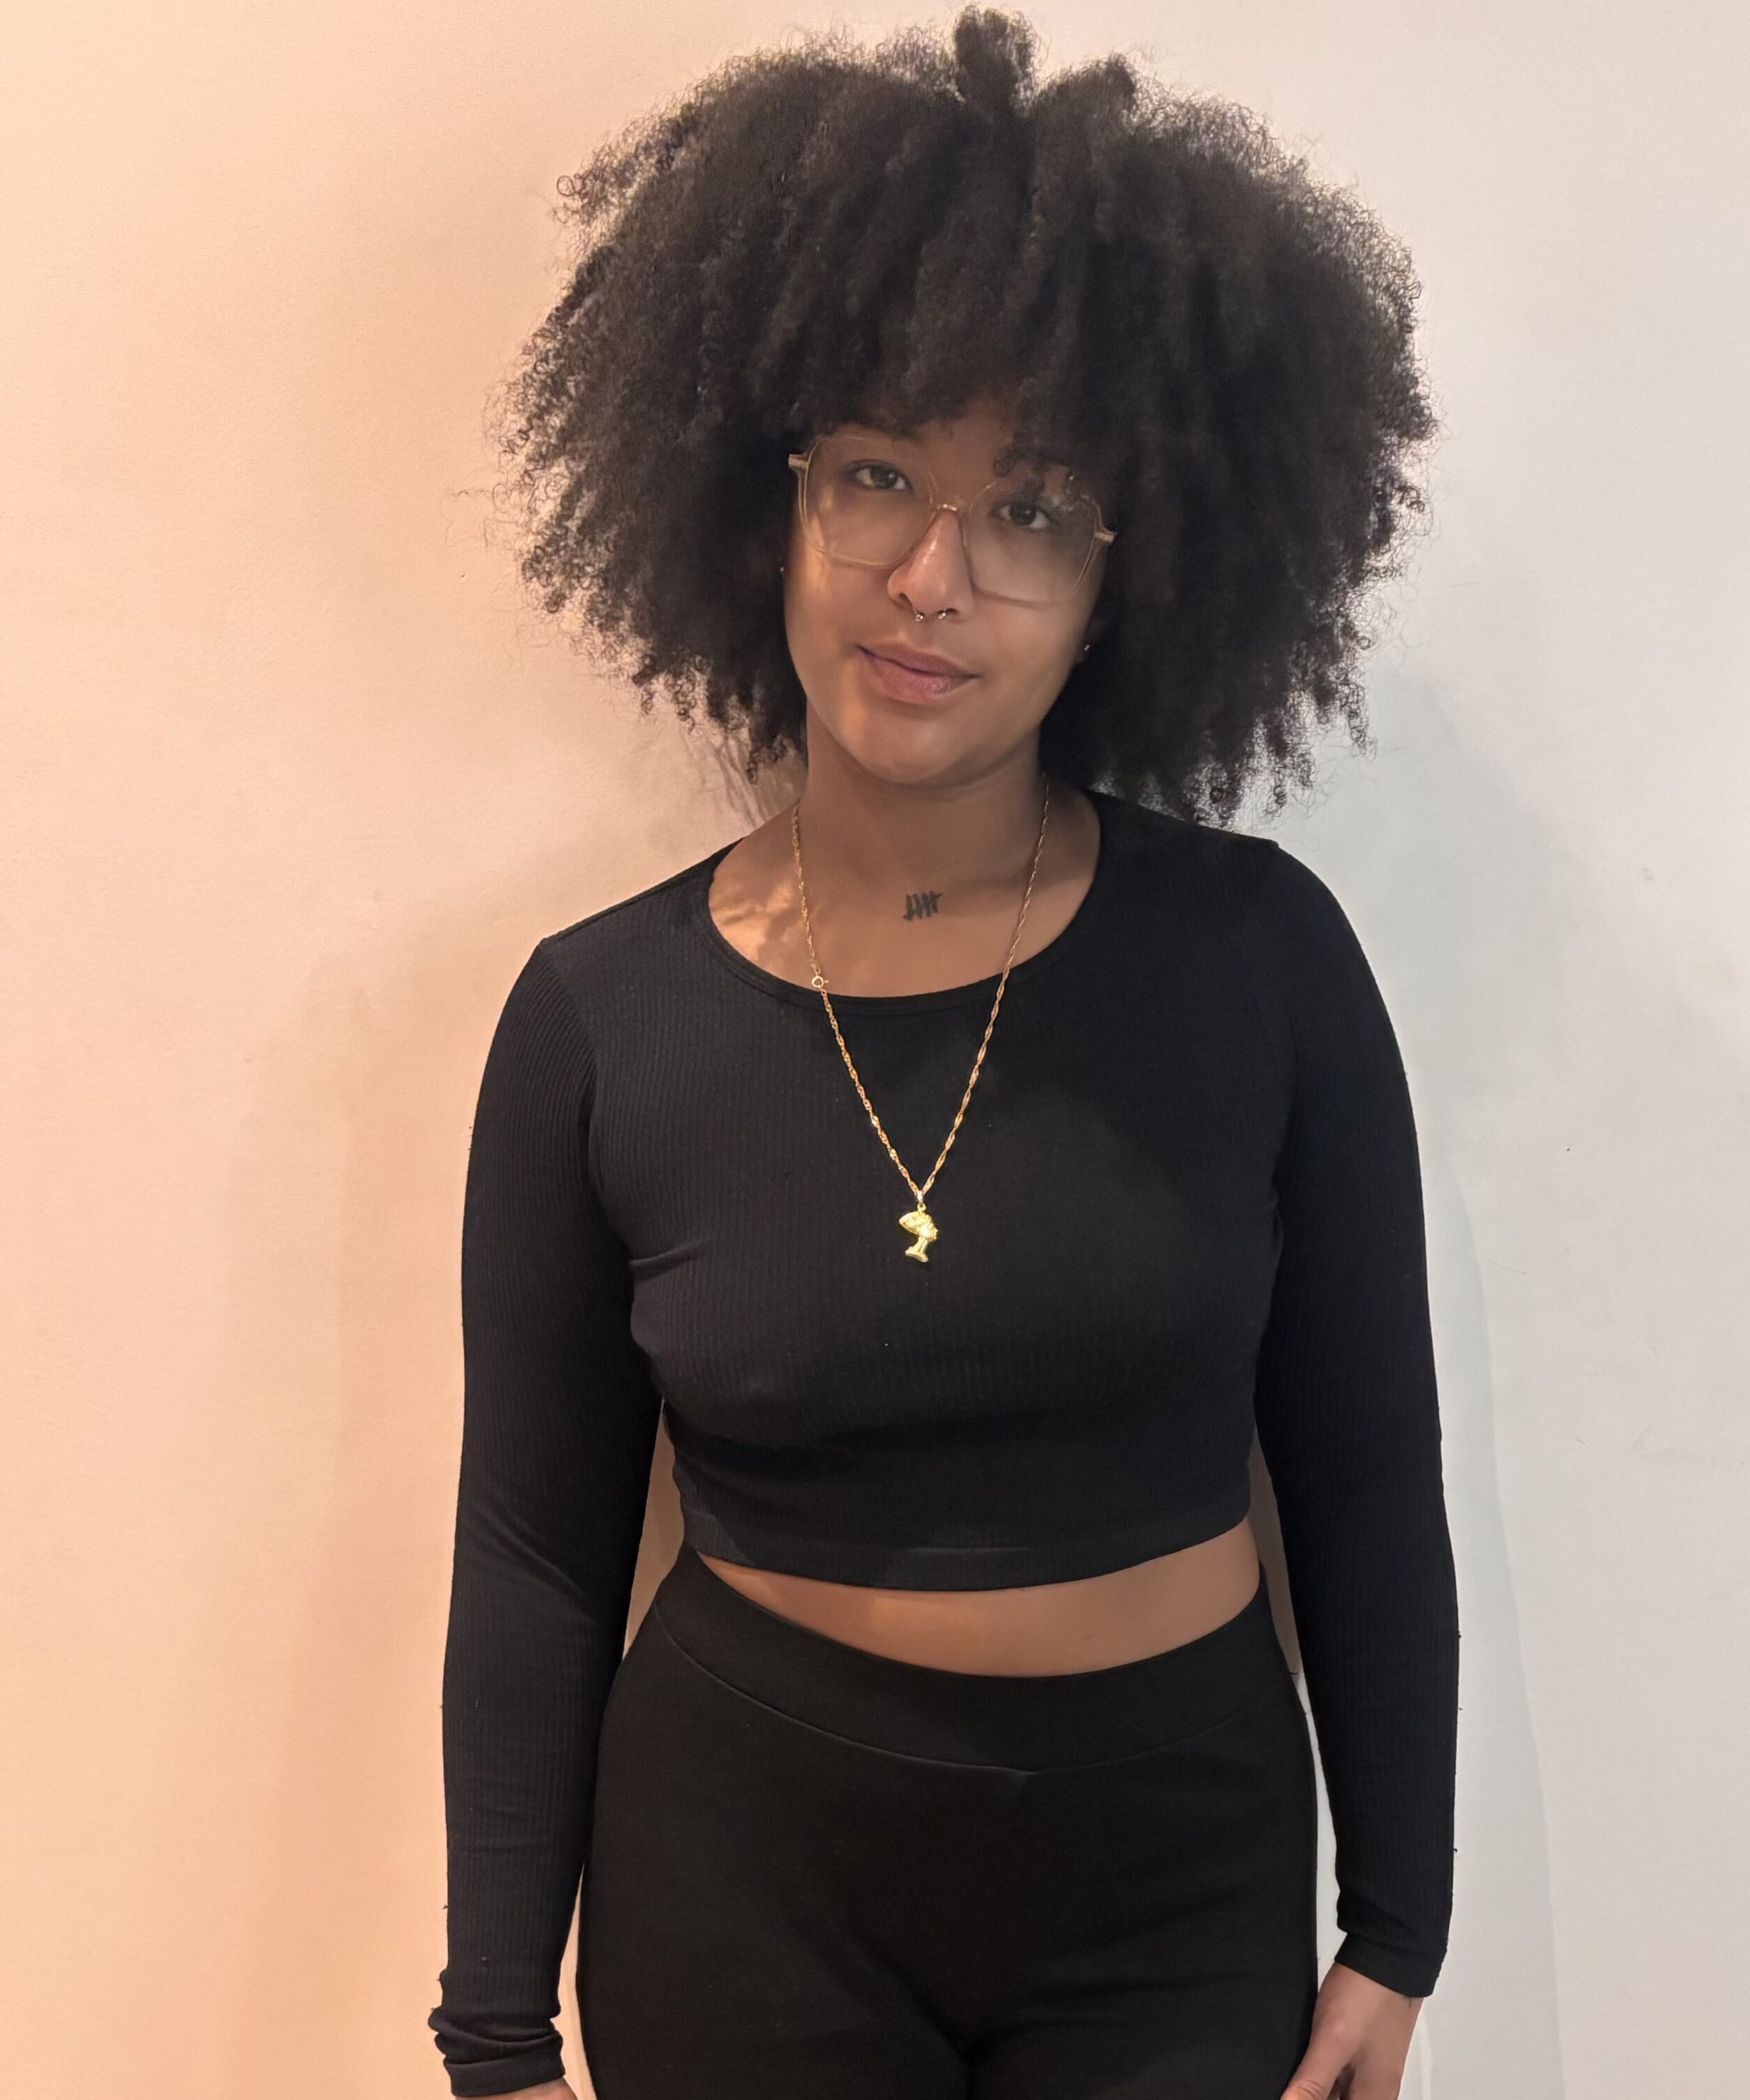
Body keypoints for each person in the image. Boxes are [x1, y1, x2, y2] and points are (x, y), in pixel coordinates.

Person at [427, 10, 1460, 2099]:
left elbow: (1364, 1469)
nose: (931, 579)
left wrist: (1401, 1922)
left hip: (1176, 1876)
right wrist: (493, 2029)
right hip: (743, 1870)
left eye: (1034, 510)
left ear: (1133, 578)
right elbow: (535, 1545)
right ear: (768, 508)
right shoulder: (596, 1018)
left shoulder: (1258, 963)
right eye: (879, 474)